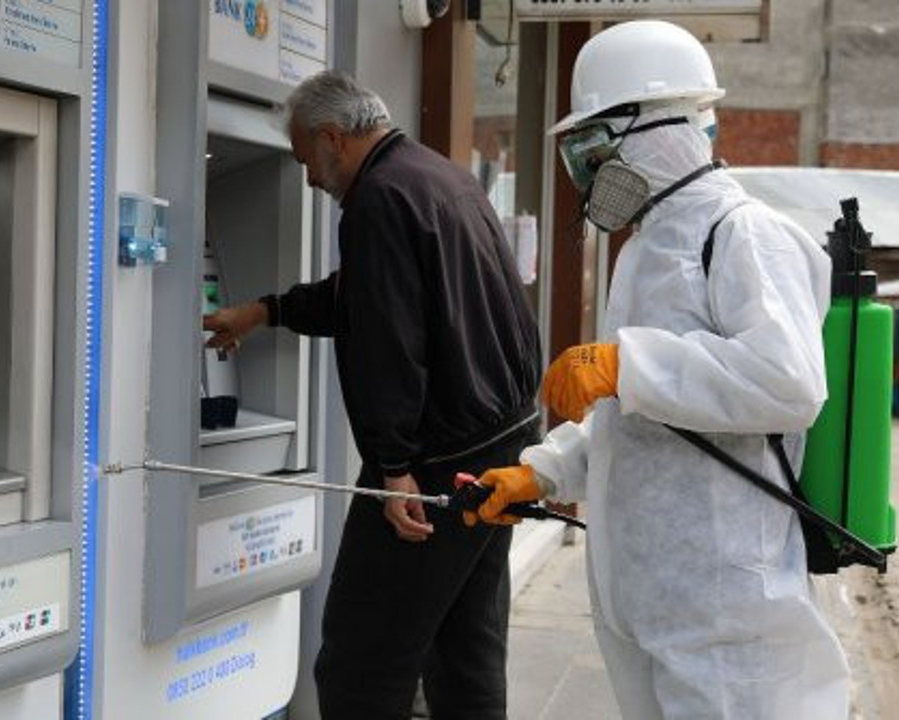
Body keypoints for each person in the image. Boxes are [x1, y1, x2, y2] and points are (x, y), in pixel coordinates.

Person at [471, 20, 851, 719]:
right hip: (647, 598)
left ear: (655, 128)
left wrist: (628, 362)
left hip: (728, 608)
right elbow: (640, 411)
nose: (583, 168)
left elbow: (789, 382)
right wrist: (546, 470)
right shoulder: (645, 249)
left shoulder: (742, 233)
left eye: (593, 144)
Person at [203, 71, 541, 719]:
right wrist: (267, 310)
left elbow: (389, 342)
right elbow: (373, 297)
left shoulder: (379, 198)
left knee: (361, 662)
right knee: (465, 649)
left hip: (441, 459)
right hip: (504, 442)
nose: (308, 177)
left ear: (333, 137)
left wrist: (395, 472)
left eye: (307, 158)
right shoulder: (439, 177)